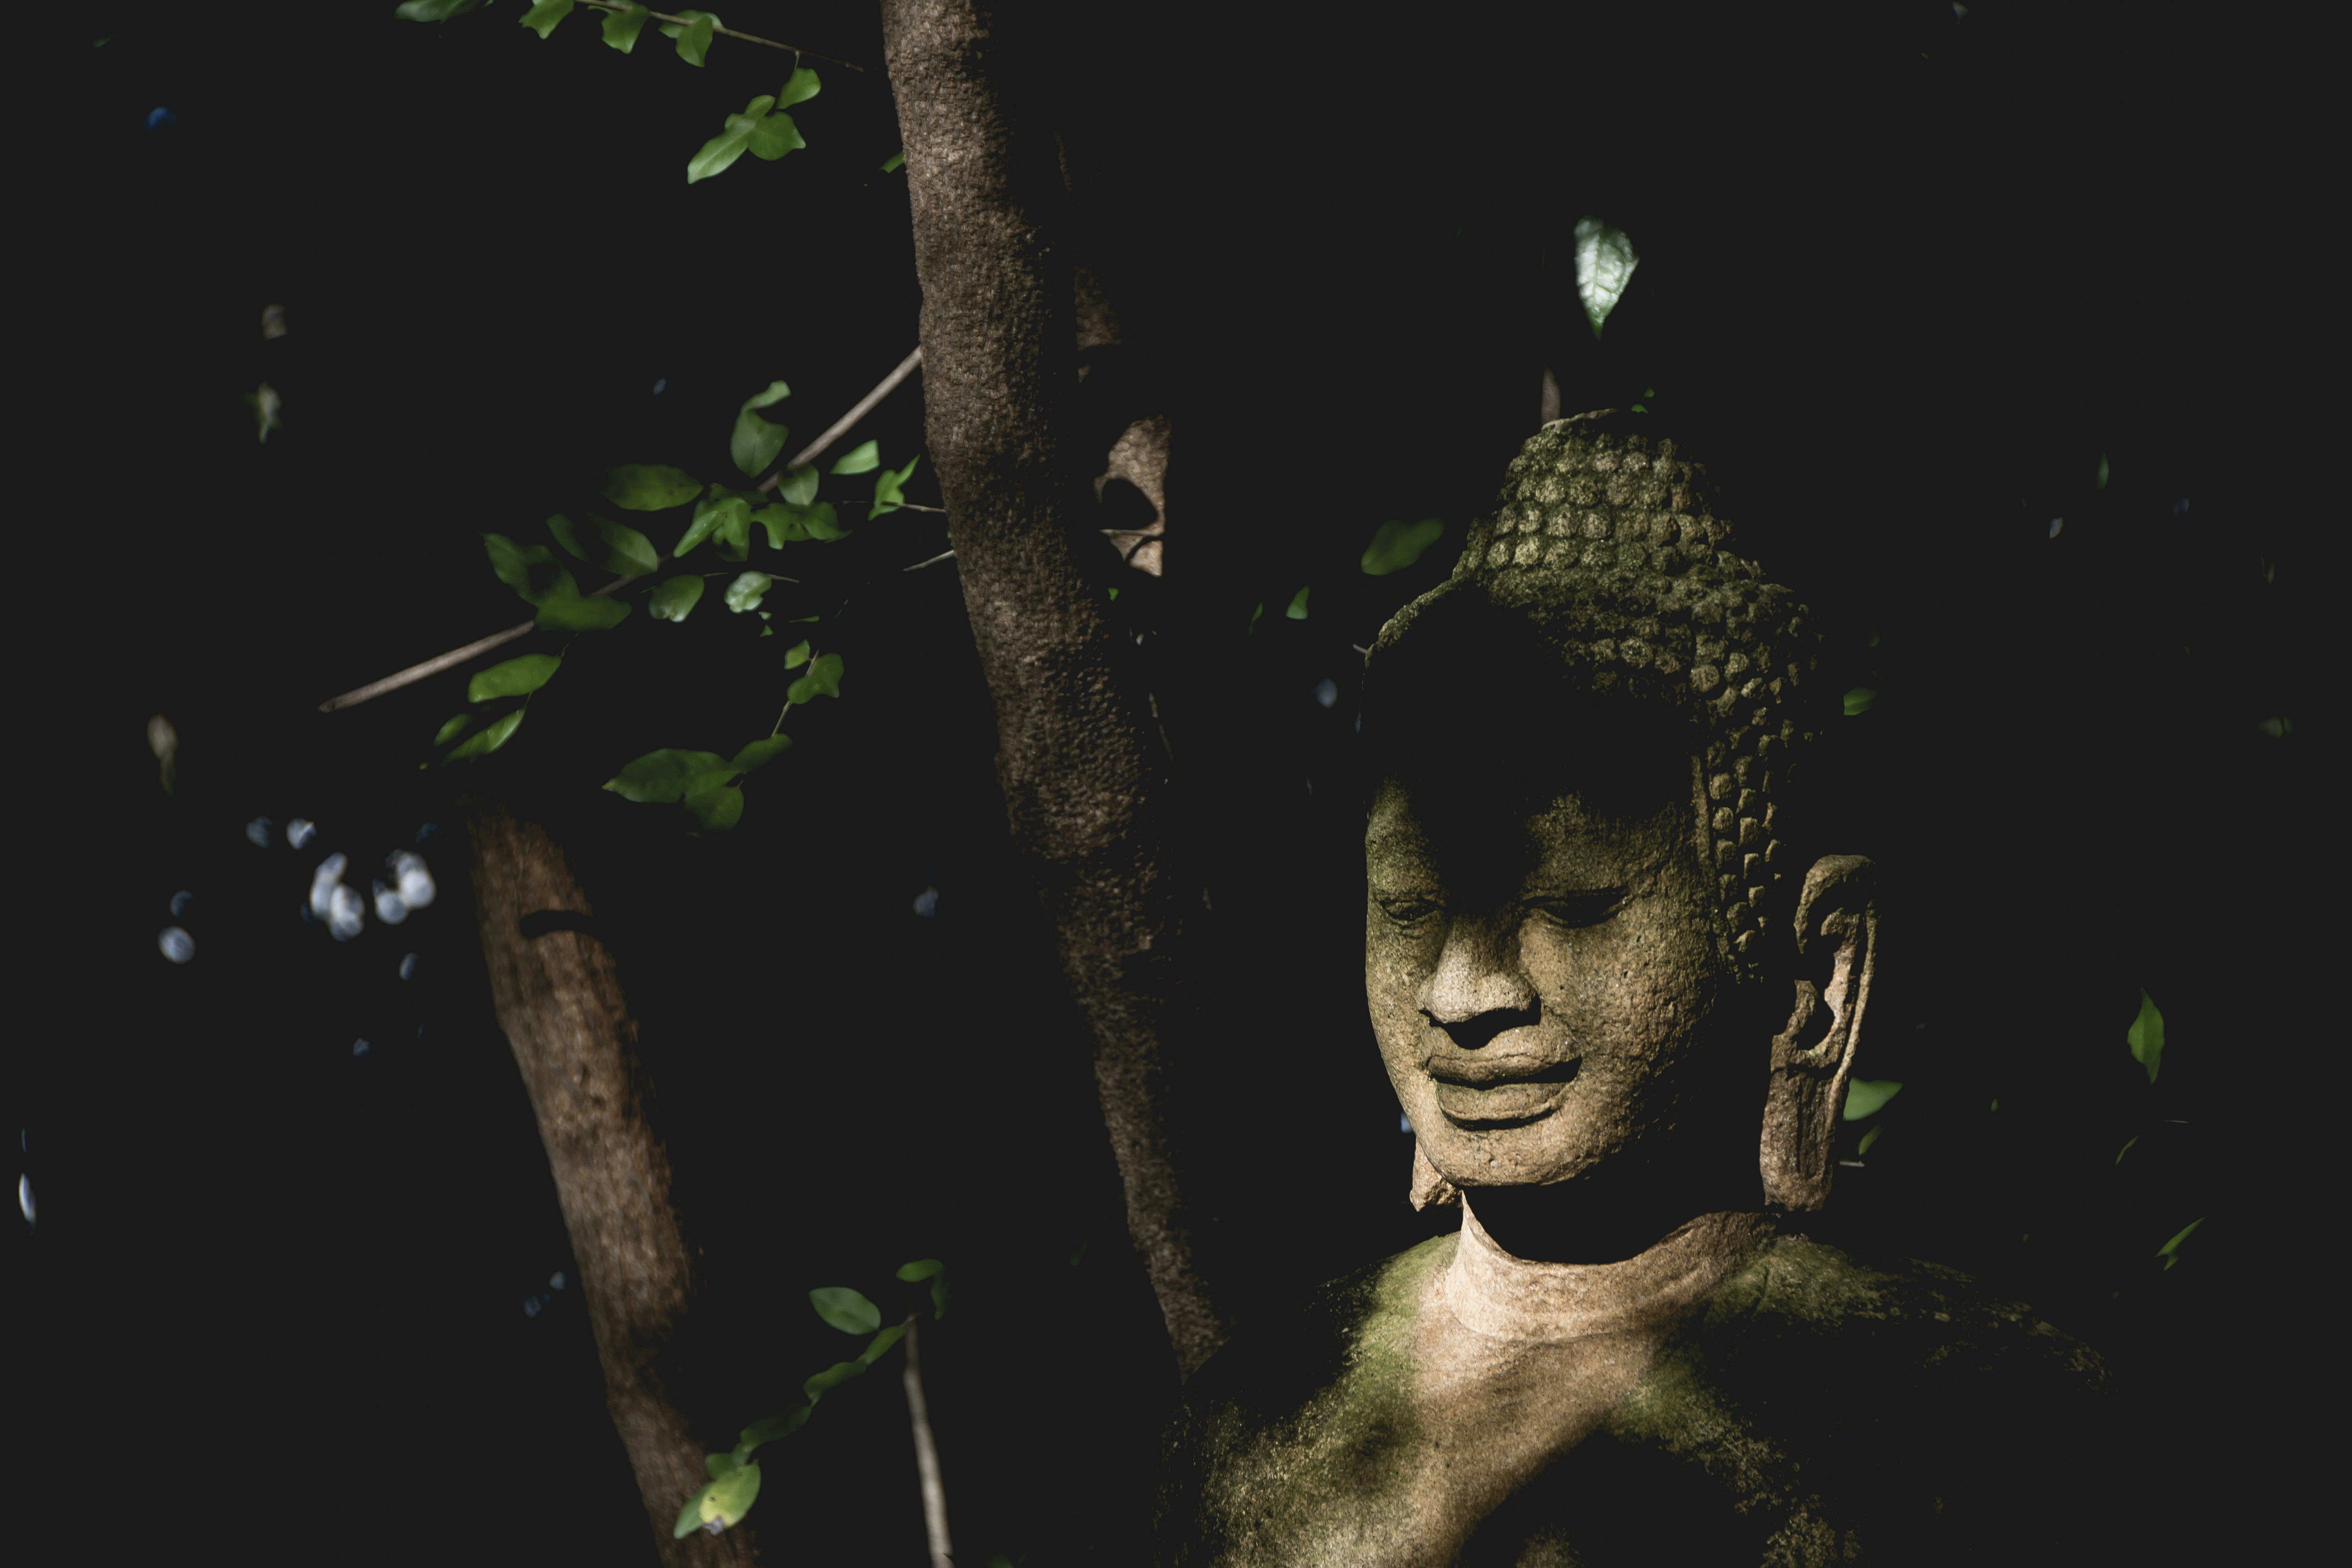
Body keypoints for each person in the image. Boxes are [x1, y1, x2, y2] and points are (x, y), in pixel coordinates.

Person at [1152, 413, 2120, 1567]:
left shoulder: (1970, 1422)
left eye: (1571, 908)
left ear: (1814, 975)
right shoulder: (1254, 1428)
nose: (1463, 990)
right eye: (1408, 908)